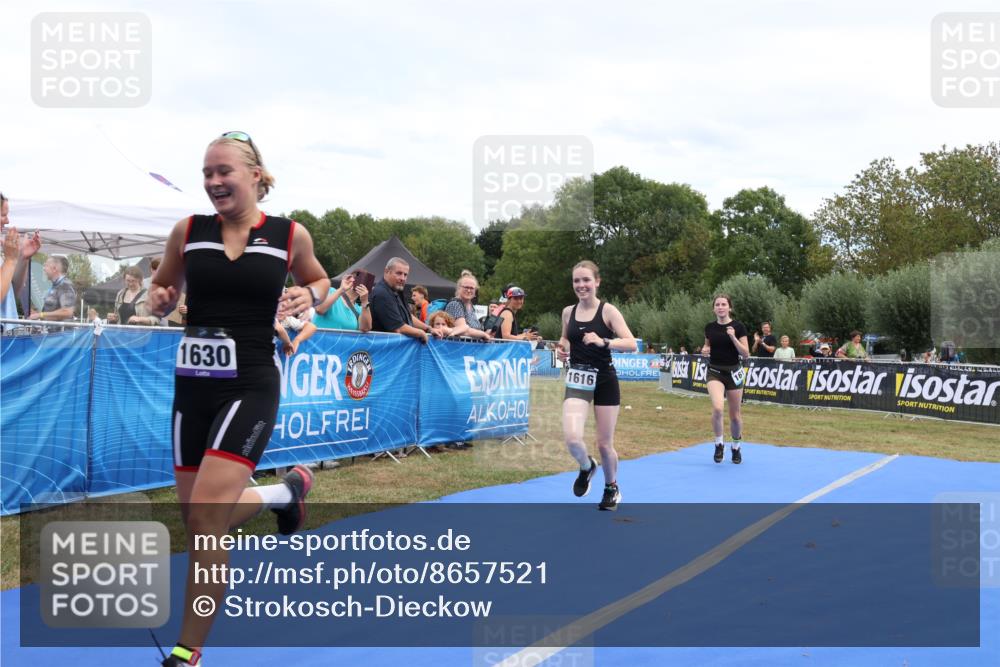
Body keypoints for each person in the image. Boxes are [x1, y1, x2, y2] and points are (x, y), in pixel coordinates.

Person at [147, 131, 330, 667]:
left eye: (223, 171)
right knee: (201, 517)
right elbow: (163, 291)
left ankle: (187, 651)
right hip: (192, 387)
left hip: (251, 382)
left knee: (206, 516)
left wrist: (308, 294)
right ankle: (284, 494)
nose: (213, 182)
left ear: (255, 175)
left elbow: (320, 282)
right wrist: (161, 299)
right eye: (206, 173)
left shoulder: (289, 234)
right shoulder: (187, 231)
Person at [556, 261, 636, 511]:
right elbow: (566, 338)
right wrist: (562, 349)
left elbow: (631, 343)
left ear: (597, 282)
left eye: (586, 280)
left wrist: (604, 341)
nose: (581, 285)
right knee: (571, 438)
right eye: (576, 281)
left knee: (604, 443)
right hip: (578, 378)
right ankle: (586, 466)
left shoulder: (608, 311)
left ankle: (611, 487)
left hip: (604, 380)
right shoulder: (568, 311)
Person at [701, 294, 750, 464]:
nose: (720, 307)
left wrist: (733, 337)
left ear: (730, 307)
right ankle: (719, 443)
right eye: (717, 304)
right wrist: (705, 349)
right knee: (717, 408)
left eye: (724, 304)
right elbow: (707, 345)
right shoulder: (709, 327)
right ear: (713, 308)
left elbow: (745, 354)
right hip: (715, 371)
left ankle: (736, 446)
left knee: (735, 415)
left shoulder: (738, 326)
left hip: (734, 372)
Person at [369, 257, 442, 343]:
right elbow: (398, 328)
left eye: (405, 274)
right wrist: (421, 333)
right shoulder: (382, 293)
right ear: (387, 271)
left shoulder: (396, 290)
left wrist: (428, 328)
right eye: (399, 273)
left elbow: (408, 316)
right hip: (383, 350)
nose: (403, 278)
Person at [1, 193, 42, 330]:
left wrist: (22, 259)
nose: (7, 221)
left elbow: (12, 293)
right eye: (3, 215)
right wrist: (10, 260)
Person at [445, 270, 492, 340]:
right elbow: (463, 330)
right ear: (459, 288)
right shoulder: (455, 304)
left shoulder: (470, 305)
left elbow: (474, 328)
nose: (469, 290)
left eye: (472, 288)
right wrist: (483, 334)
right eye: (466, 287)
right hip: (458, 347)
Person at [28, 256, 76, 322]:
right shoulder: (57, 285)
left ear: (54, 269)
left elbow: (67, 312)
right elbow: (53, 311)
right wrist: (37, 314)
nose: (44, 269)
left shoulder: (65, 285)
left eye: (46, 265)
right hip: (54, 331)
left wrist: (41, 315)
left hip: (61, 332)